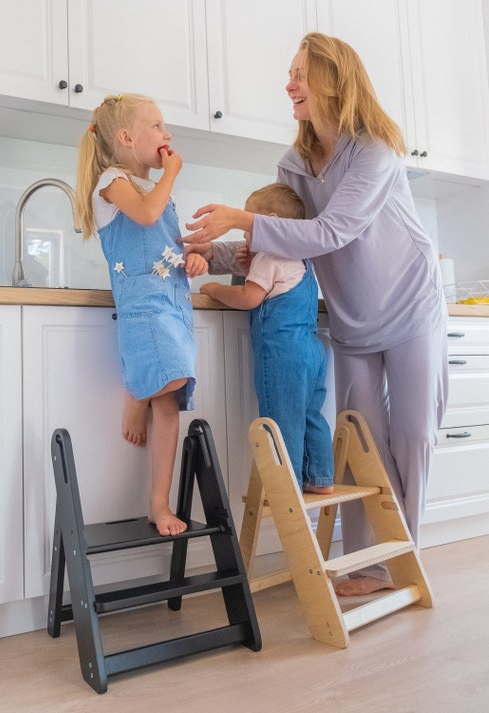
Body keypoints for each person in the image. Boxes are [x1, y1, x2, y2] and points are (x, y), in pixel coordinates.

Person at [184, 33, 448, 595]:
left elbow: (332, 230)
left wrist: (239, 218)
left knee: (412, 435)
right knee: (360, 446)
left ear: (334, 79)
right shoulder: (294, 165)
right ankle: (366, 566)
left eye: (300, 73)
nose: (290, 85)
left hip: (410, 306)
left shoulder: (373, 151)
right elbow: (285, 244)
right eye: (291, 74)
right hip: (351, 321)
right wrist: (214, 253)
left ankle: (405, 560)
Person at [75, 93, 208, 536]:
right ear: (127, 137)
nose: (167, 135)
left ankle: (158, 503)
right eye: (157, 126)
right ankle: (136, 393)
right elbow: (148, 218)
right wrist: (171, 172)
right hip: (145, 309)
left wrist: (194, 259)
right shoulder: (111, 182)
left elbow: (166, 243)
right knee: (169, 380)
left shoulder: (153, 188)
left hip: (173, 303)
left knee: (171, 399)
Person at [197, 182, 334, 494]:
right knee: (311, 415)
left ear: (270, 222)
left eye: (248, 226)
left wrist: (214, 289)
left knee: (281, 421)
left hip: (282, 353)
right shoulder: (301, 258)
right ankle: (320, 478)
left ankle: (288, 488)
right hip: (311, 351)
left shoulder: (269, 256)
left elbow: (249, 297)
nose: (246, 235)